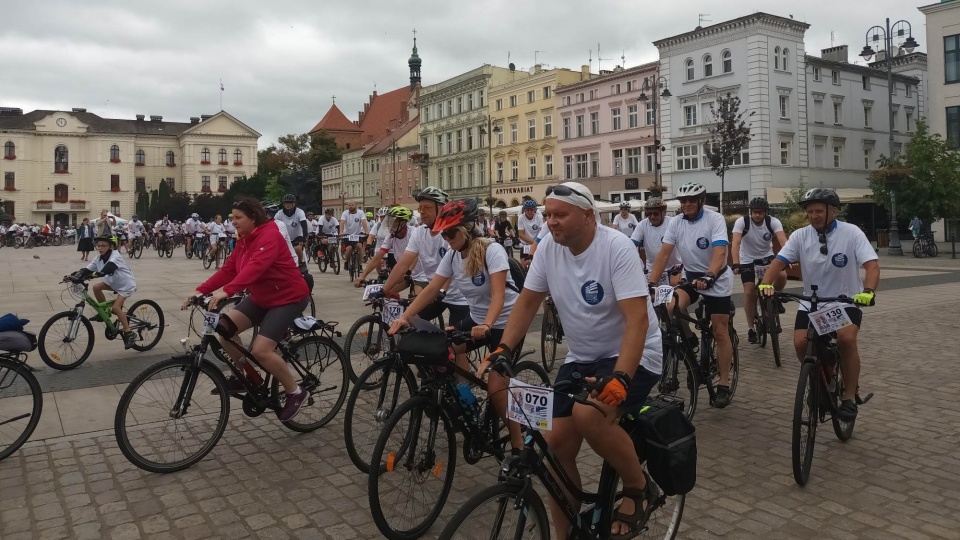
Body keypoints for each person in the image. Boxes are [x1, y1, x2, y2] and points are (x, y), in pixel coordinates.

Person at [487, 181, 662, 540]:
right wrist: (503, 350)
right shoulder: (549, 248)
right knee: (556, 449)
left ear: (587, 215)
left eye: (560, 214)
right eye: (548, 214)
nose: (551, 222)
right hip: (582, 357)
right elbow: (527, 302)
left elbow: (638, 320)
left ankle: (637, 486)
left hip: (634, 353)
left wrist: (622, 378)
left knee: (589, 415)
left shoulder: (616, 248)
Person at [390, 198, 526, 451]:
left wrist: (487, 324)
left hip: (506, 321)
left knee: (497, 384)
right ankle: (467, 404)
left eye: (451, 232)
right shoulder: (453, 255)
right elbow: (431, 288)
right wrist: (405, 316)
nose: (446, 238)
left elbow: (498, 295)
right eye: (443, 233)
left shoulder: (491, 250)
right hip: (476, 319)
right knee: (441, 353)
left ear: (468, 229)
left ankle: (519, 446)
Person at [759, 188, 879, 421]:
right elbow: (779, 262)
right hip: (812, 303)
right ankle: (819, 381)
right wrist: (765, 284)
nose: (814, 216)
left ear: (833, 211)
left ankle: (849, 397)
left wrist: (868, 291)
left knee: (846, 339)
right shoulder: (800, 236)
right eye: (810, 211)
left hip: (844, 301)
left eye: (819, 211)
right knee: (801, 344)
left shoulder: (851, 233)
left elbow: (871, 265)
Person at [188, 196, 311, 422]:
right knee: (225, 330)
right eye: (232, 217)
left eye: (238, 218)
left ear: (253, 218)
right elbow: (230, 268)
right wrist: (201, 291)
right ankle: (248, 376)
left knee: (261, 350)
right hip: (262, 297)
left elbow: (256, 267)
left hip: (288, 297)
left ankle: (296, 392)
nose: (233, 221)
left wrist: (228, 291)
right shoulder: (244, 239)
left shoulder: (270, 234)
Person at [647, 181, 735, 408]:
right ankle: (689, 342)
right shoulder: (676, 222)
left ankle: (723, 384)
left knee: (719, 329)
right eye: (683, 201)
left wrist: (710, 275)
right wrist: (651, 282)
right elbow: (664, 254)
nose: (686, 204)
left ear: (701, 201)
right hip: (692, 278)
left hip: (717, 279)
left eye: (691, 200)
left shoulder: (714, 219)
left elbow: (720, 251)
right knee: (669, 306)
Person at [380, 187, 470, 325]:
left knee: (455, 342)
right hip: (434, 292)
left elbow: (451, 269)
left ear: (441, 208)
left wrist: (441, 290)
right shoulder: (419, 232)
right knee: (409, 321)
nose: (422, 212)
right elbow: (403, 264)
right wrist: (384, 289)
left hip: (459, 296)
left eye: (427, 208)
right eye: (420, 208)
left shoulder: (451, 233)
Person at [731, 197, 789, 344]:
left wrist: (788, 257)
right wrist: (736, 263)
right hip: (747, 260)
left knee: (782, 275)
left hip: (766, 258)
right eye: (755, 212)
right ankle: (751, 328)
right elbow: (736, 243)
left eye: (760, 212)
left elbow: (783, 240)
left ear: (765, 212)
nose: (757, 215)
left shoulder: (773, 222)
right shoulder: (742, 222)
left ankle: (775, 297)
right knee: (749, 291)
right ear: (751, 212)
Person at [68, 235, 138, 349]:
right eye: (98, 246)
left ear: (111, 246)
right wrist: (76, 274)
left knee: (116, 308)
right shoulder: (98, 257)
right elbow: (87, 269)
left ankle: (129, 332)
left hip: (125, 285)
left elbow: (109, 268)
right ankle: (105, 312)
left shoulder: (116, 256)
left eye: (103, 246)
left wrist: (98, 273)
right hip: (112, 283)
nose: (100, 248)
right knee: (96, 287)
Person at [354, 206, 413, 286]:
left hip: (420, 275)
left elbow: (416, 257)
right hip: (409, 274)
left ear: (402, 223)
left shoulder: (413, 234)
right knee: (388, 291)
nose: (389, 224)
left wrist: (407, 272)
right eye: (388, 221)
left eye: (392, 221)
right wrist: (362, 276)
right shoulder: (390, 236)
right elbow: (377, 257)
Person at [631, 198, 681, 283]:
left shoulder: (672, 223)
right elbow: (631, 244)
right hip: (652, 269)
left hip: (674, 267)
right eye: (648, 214)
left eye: (656, 213)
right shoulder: (642, 225)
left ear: (664, 213)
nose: (652, 217)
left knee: (675, 289)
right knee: (651, 293)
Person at [275, 194, 308, 265]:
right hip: (285, 237)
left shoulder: (299, 212)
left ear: (294, 204)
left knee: (298, 249)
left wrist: (304, 238)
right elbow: (274, 225)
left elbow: (304, 225)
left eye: (290, 203)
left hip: (297, 236)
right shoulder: (279, 213)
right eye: (286, 203)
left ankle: (301, 263)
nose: (288, 205)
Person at [340, 201, 370, 271]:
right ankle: (346, 262)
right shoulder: (345, 213)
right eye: (349, 205)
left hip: (357, 234)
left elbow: (363, 222)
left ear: (356, 205)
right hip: (348, 234)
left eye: (352, 205)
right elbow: (342, 222)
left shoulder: (360, 212)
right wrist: (341, 232)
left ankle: (360, 265)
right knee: (349, 248)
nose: (351, 206)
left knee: (359, 246)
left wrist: (366, 231)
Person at [516, 200, 544, 270]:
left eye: (531, 210)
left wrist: (537, 242)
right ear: (524, 210)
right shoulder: (521, 218)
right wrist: (534, 242)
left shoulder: (539, 217)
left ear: (534, 210)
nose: (529, 212)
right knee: (523, 266)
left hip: (537, 243)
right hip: (525, 244)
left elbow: (542, 231)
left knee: (539, 265)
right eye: (527, 210)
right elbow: (521, 235)